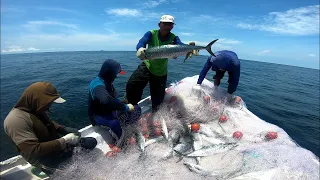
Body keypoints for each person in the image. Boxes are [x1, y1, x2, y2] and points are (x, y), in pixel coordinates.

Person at [3, 82, 97, 175]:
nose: (50, 105)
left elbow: (46, 123)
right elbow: (33, 150)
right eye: (49, 103)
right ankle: (43, 169)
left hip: (56, 148)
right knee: (77, 173)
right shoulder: (15, 120)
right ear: (38, 100)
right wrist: (64, 140)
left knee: (91, 142)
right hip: (44, 159)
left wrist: (62, 128)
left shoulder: (35, 108)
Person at [126, 14, 195, 113]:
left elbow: (179, 45)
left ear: (172, 26)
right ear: (159, 24)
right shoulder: (151, 33)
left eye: (170, 24)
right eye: (165, 24)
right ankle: (132, 108)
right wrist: (140, 48)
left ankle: (155, 114)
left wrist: (189, 47)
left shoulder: (174, 37)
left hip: (161, 71)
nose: (167, 26)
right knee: (132, 85)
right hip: (147, 65)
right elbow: (142, 42)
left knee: (158, 99)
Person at [88, 59, 141, 146]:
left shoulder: (108, 82)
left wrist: (122, 101)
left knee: (136, 108)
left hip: (110, 110)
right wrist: (125, 107)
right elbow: (107, 100)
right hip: (98, 116)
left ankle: (128, 128)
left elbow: (113, 99)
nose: (116, 76)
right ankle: (123, 144)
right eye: (115, 74)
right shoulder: (96, 85)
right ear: (109, 74)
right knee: (114, 123)